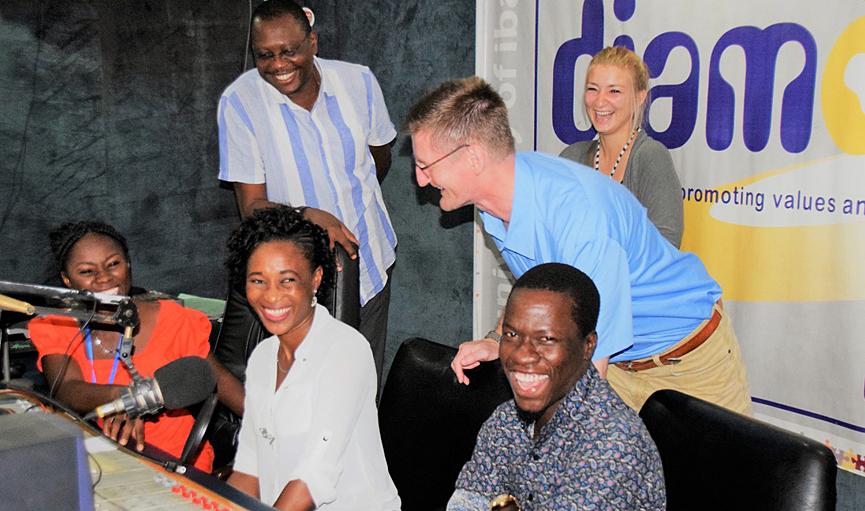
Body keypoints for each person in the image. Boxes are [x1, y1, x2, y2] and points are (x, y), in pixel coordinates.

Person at [407, 76, 751, 415]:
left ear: (474, 158)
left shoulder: (579, 216)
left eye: (425, 165)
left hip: (687, 361)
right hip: (618, 364)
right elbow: (542, 285)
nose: (420, 180)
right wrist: (495, 341)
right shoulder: (496, 202)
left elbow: (588, 378)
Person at [217, 0, 397, 377]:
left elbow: (380, 158)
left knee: (364, 383)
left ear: (312, 42)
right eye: (265, 55)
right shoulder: (240, 104)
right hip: (299, 280)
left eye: (289, 51)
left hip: (370, 260)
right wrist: (308, 215)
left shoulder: (359, 82)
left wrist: (350, 205)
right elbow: (251, 207)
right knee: (311, 386)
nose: (278, 64)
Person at [28, 221, 245, 473]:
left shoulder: (174, 320)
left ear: (128, 264)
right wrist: (124, 397)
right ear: (67, 279)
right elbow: (66, 389)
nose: (104, 277)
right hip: (97, 463)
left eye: (113, 264)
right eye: (87, 271)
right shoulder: (57, 325)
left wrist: (272, 432)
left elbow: (221, 381)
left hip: (177, 462)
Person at [447, 263, 665, 510]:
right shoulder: (507, 419)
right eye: (512, 335)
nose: (522, 355)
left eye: (547, 339)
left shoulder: (613, 446)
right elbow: (469, 499)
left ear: (588, 346)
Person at [225, 206, 399, 511]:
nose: (271, 296)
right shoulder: (264, 357)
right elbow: (250, 468)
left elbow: (313, 476)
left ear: (316, 278)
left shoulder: (345, 352)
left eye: (287, 280)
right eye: (258, 280)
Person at [559, 46, 684, 248]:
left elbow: (666, 244)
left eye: (614, 91)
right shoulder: (571, 157)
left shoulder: (650, 156)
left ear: (639, 97)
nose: (600, 102)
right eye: (592, 89)